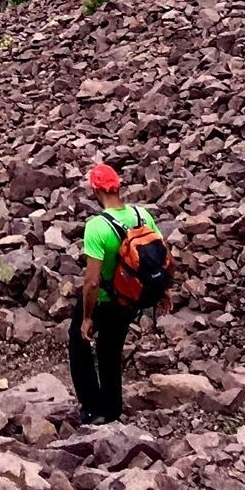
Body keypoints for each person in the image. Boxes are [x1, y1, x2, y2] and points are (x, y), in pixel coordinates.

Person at [69, 162, 164, 426]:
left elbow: (91, 282)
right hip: (130, 299)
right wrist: (162, 292)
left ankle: (92, 407)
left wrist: (88, 317)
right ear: (118, 186)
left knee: (79, 346)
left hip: (103, 300)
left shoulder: (97, 227)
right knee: (110, 351)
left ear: (96, 191)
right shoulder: (142, 215)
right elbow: (160, 258)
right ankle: (112, 409)